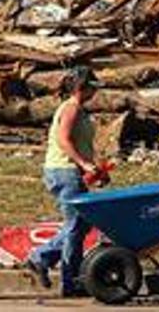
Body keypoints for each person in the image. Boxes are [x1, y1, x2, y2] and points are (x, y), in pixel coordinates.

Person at [25, 65, 102, 297]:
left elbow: (79, 143)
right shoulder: (71, 108)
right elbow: (63, 140)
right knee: (75, 226)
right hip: (65, 171)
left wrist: (94, 168)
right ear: (81, 88)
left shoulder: (79, 109)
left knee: (81, 225)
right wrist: (83, 163)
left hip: (70, 170)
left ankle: (43, 258)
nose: (95, 92)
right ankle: (69, 280)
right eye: (92, 87)